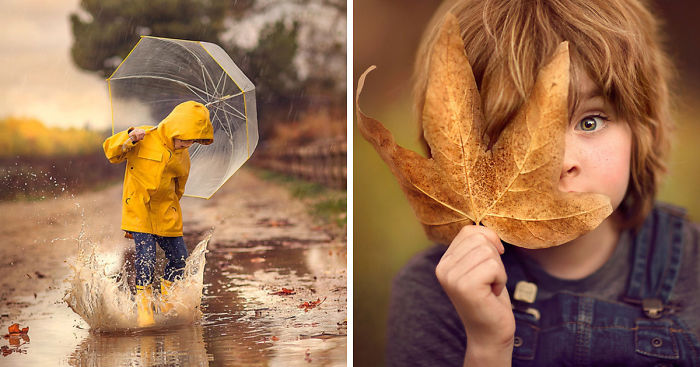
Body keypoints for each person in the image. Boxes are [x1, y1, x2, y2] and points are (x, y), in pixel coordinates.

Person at [385, 0, 700, 365]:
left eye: (590, 122)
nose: (562, 162)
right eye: (516, 137)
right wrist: (488, 346)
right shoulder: (432, 294)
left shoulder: (692, 269)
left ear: (643, 129)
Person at [103, 100, 214, 327]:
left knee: (179, 257)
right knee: (147, 258)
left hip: (166, 212)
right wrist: (130, 137)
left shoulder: (182, 155)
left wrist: (172, 206)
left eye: (192, 141)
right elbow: (111, 152)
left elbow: (179, 186)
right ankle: (144, 305)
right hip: (140, 210)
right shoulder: (144, 137)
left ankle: (166, 299)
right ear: (175, 129)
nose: (188, 145)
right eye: (185, 139)